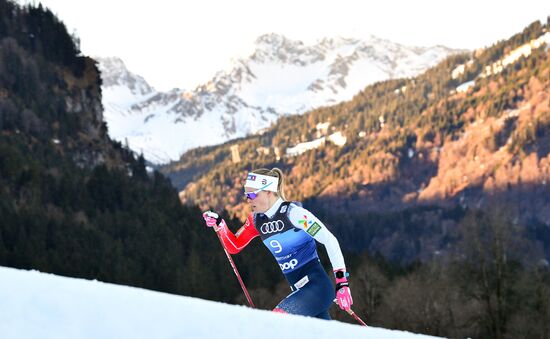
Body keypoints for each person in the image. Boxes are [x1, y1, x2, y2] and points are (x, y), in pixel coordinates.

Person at [202, 167, 353, 320]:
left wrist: (342, 282)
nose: (248, 200)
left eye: (253, 194)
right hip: (300, 291)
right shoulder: (256, 221)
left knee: (277, 321)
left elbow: (329, 240)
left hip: (318, 288)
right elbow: (233, 247)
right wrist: (220, 225)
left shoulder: (294, 214)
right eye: (247, 195)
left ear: (268, 191)